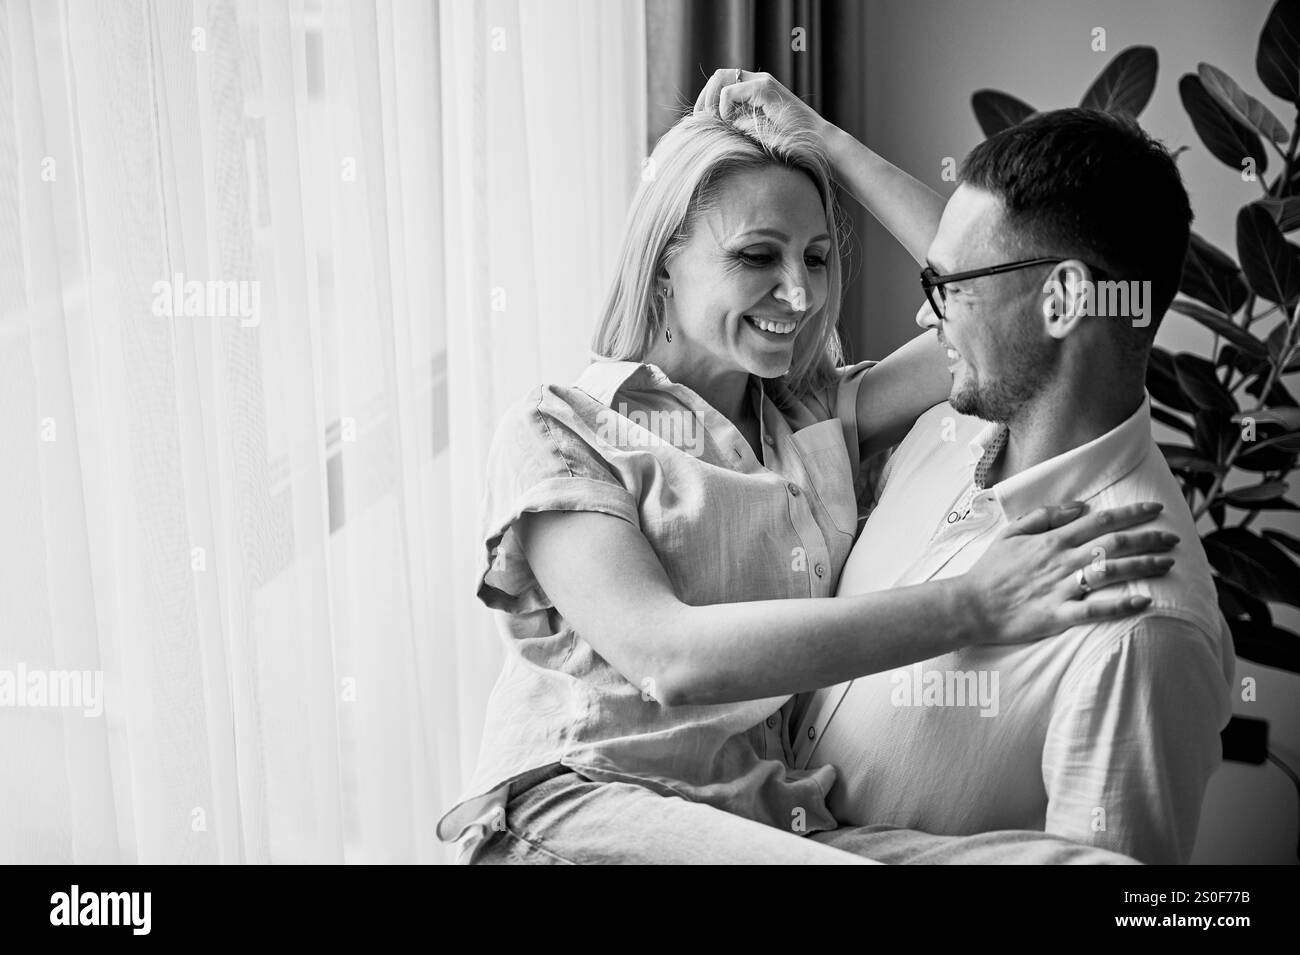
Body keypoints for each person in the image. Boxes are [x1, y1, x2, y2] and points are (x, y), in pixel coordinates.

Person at [437, 73, 1176, 865]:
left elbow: (1008, 294)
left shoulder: (813, 417)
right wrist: (974, 606)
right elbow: (666, 656)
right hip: (582, 805)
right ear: (662, 268)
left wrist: (826, 143)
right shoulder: (561, 430)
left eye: (817, 257)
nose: (798, 290)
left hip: (775, 822)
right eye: (758, 254)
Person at [793, 108, 1234, 865]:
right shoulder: (946, 420)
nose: (923, 313)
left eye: (947, 285)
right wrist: (819, 138)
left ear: (1062, 301)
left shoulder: (1139, 626)